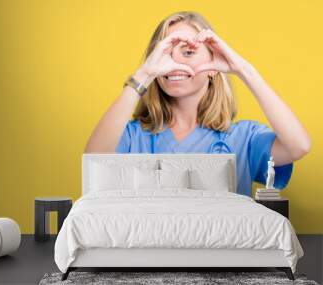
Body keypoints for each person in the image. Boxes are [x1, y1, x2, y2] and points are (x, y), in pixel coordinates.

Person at [84, 11, 311, 197]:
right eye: (165, 54)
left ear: (214, 66)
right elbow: (94, 161)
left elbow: (298, 146)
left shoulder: (244, 138)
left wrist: (243, 70)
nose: (174, 63)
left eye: (188, 52)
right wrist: (144, 74)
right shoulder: (133, 137)